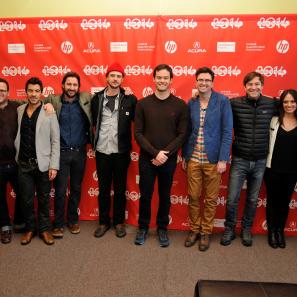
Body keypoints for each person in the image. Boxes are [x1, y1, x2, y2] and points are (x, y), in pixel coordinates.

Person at [220, 71, 278, 247]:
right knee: (232, 198)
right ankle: (229, 228)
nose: (254, 87)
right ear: (245, 86)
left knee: (252, 199)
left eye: (257, 84)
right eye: (250, 84)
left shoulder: (272, 103)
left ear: (262, 86)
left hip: (261, 160)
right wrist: (195, 95)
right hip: (240, 159)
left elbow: (292, 106)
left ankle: (246, 228)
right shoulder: (234, 103)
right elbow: (216, 105)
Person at [134, 64, 188, 247]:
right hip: (147, 159)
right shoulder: (142, 104)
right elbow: (138, 133)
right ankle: (142, 227)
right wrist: (155, 153)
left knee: (165, 195)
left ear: (171, 80)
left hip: (168, 159)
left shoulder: (180, 105)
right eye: (159, 77)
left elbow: (182, 134)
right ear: (154, 79)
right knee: (146, 195)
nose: (162, 81)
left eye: (166, 78)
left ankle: (162, 228)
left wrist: (165, 154)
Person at [182, 67, 233, 251]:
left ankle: (206, 232)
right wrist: (185, 155)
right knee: (193, 196)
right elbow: (186, 131)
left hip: (213, 160)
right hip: (194, 158)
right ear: (196, 81)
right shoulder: (192, 103)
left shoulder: (222, 101)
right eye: (200, 80)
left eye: (207, 80)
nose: (203, 83)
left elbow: (227, 132)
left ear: (212, 82)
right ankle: (194, 229)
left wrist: (222, 159)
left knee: (211, 199)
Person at [91, 63, 137, 238]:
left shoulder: (130, 99)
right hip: (102, 151)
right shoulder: (96, 99)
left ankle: (119, 222)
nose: (115, 79)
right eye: (112, 75)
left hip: (121, 152)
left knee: (119, 189)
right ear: (107, 77)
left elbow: (139, 122)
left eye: (119, 76)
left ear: (122, 79)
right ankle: (103, 222)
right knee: (103, 189)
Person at [45, 72, 93, 238]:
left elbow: (105, 97)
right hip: (60, 154)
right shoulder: (53, 101)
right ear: (63, 85)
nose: (72, 88)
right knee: (59, 190)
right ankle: (57, 224)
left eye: (75, 85)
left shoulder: (86, 100)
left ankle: (72, 221)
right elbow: (31, 102)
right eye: (69, 84)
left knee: (76, 189)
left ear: (79, 87)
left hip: (80, 153)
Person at [15, 77, 60, 245]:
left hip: (43, 165)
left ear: (41, 93)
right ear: (26, 92)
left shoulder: (49, 111)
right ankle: (30, 229)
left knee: (44, 199)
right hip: (23, 164)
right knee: (26, 200)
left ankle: (44, 230)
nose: (33, 94)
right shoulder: (19, 110)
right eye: (30, 91)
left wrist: (54, 165)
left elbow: (55, 140)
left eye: (36, 91)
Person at [264, 89, 297, 248]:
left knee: (284, 202)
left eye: (292, 101)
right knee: (272, 201)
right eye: (285, 101)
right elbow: (264, 97)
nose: (289, 105)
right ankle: (271, 232)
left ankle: (280, 231)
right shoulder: (273, 120)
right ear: (281, 103)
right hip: (273, 169)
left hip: (292, 170)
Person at [0, 78, 25, 244]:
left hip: (17, 162)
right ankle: (5, 227)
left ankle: (19, 222)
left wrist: (48, 105)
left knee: (23, 193)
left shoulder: (18, 107)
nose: (0, 93)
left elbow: (35, 103)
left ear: (8, 92)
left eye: (2, 90)